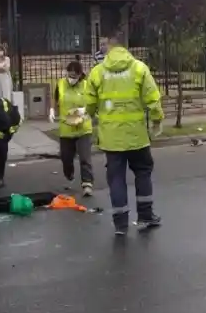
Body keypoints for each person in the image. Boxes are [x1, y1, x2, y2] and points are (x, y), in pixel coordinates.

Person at [86, 33, 165, 235]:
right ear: (125, 47)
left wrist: (95, 114)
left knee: (116, 179)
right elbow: (153, 98)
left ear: (109, 49)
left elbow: (89, 104)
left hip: (111, 139)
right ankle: (145, 216)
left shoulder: (97, 72)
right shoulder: (139, 69)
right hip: (136, 135)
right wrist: (157, 120)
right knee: (143, 172)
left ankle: (120, 224)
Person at [49, 56, 94, 196]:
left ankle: (87, 184)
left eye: (74, 76)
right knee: (66, 157)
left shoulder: (87, 86)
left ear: (80, 75)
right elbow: (55, 98)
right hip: (66, 128)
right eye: (69, 75)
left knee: (85, 158)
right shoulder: (61, 84)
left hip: (83, 127)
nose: (71, 78)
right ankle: (69, 174)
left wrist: (84, 111)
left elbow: (93, 103)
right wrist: (52, 110)